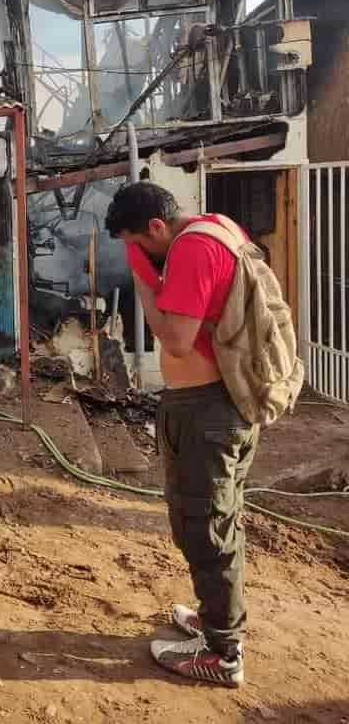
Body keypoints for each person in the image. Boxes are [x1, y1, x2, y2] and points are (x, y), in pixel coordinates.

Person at [105, 181, 258, 688]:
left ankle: (223, 652)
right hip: (226, 405)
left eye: (139, 241)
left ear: (156, 226)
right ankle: (219, 620)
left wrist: (141, 277)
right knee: (218, 519)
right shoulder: (217, 228)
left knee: (204, 527)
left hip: (206, 414)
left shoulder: (190, 251)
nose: (140, 253)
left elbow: (174, 338)